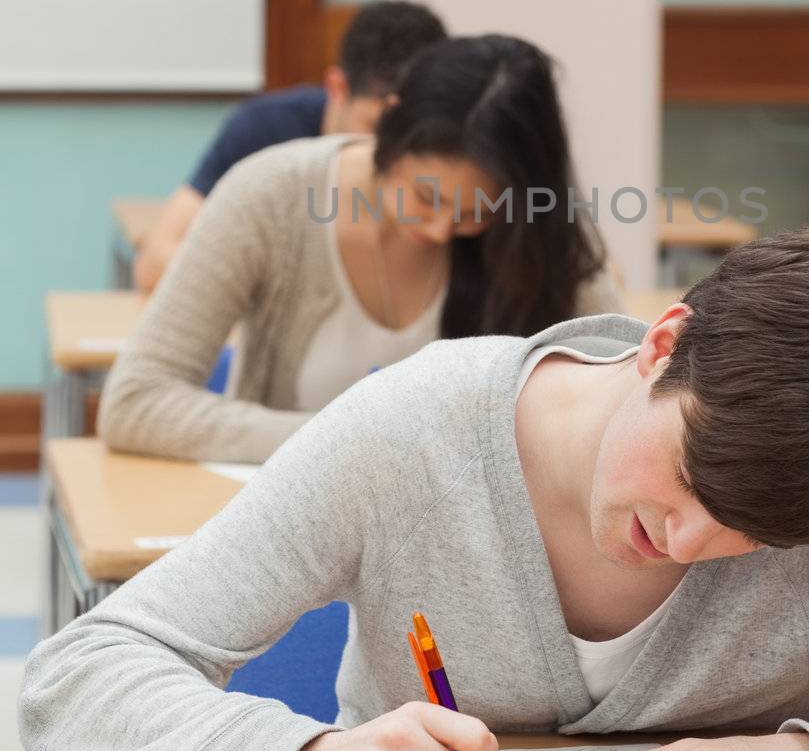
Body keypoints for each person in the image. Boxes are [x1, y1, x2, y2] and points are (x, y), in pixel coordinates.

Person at [22, 225, 809, 751]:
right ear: (664, 344)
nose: (694, 537)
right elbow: (83, 672)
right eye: (692, 473)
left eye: (752, 534)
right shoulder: (412, 433)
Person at [98, 33, 622, 464]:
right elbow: (135, 400)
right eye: (426, 196)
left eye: (473, 214)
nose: (440, 230)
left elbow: (622, 386)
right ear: (390, 127)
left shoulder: (533, 227)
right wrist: (352, 442)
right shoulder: (271, 195)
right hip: (287, 533)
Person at [133, 0, 446, 291]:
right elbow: (155, 262)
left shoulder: (437, 153)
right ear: (338, 86)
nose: (391, 154)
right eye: (377, 128)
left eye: (410, 136)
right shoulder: (264, 130)